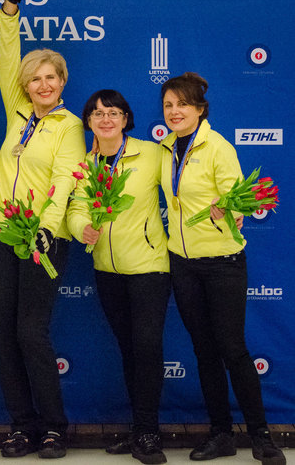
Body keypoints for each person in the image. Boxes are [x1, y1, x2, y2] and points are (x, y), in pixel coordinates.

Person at [159, 72, 286, 465]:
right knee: (204, 351)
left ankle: (262, 436)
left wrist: (229, 209)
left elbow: (238, 201)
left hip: (223, 263)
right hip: (182, 263)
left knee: (232, 348)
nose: (174, 111)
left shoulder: (218, 147)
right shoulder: (164, 148)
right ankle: (220, 435)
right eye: (168, 105)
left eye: (182, 104)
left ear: (199, 109)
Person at [0, 0, 86, 459]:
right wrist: (9, 15)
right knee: (2, 333)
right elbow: (8, 59)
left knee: (30, 332)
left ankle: (53, 428)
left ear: (62, 82)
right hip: (0, 234)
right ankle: (22, 426)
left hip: (43, 239)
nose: (42, 85)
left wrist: (47, 227)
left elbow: (65, 180)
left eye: (50, 78)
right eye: (35, 79)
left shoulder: (69, 126)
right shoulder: (16, 110)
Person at [67, 90, 170, 465]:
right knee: (129, 350)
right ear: (89, 122)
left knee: (146, 348)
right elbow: (75, 208)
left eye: (112, 113)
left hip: (148, 267)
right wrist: (81, 230)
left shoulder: (152, 153)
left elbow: (183, 190)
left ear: (126, 118)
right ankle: (139, 428)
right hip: (107, 271)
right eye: (97, 114)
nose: (105, 119)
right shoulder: (86, 164)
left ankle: (148, 432)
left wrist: (224, 208)